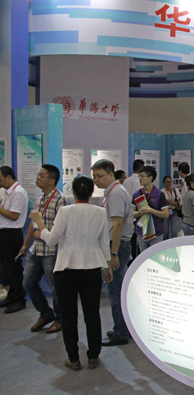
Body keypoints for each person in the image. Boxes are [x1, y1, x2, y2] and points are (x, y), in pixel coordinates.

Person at [30, 175, 112, 371]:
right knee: (92, 314)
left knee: (68, 316)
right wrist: (107, 266)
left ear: (73, 192)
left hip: (66, 270)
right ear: (91, 192)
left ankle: (73, 359)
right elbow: (104, 242)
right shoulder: (100, 212)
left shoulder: (65, 211)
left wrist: (40, 223)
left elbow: (51, 239)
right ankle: (93, 356)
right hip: (92, 269)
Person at [21, 165, 69, 333]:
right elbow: (33, 224)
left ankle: (60, 319)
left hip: (52, 251)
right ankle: (45, 313)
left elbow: (61, 229)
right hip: (36, 250)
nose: (37, 178)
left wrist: (40, 233)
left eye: (41, 175)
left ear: (51, 180)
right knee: (28, 283)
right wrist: (25, 244)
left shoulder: (61, 200)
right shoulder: (40, 197)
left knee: (56, 288)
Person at [91, 159, 134, 347]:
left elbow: (117, 225)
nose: (96, 180)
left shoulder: (115, 193)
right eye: (94, 177)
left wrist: (113, 254)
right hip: (116, 245)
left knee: (115, 291)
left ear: (111, 174)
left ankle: (121, 333)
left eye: (99, 176)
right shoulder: (113, 191)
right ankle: (123, 328)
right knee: (117, 289)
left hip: (116, 246)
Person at [0, 166, 29, 314]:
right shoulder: (5, 192)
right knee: (6, 268)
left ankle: (19, 299)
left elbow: (13, 216)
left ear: (9, 177)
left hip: (12, 234)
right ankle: (12, 296)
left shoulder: (18, 192)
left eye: (0, 179)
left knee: (14, 268)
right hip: (4, 233)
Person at [132, 166, 168, 252]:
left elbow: (165, 214)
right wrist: (140, 212)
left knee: (155, 255)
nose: (140, 178)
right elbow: (132, 213)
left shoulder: (159, 194)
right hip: (141, 231)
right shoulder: (137, 194)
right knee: (143, 255)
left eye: (142, 176)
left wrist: (150, 210)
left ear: (150, 178)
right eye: (139, 176)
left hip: (156, 231)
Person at [123, 159, 143, 260]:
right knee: (139, 241)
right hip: (139, 213)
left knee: (130, 240)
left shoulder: (126, 181)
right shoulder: (140, 181)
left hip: (128, 213)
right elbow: (141, 198)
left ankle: (130, 261)